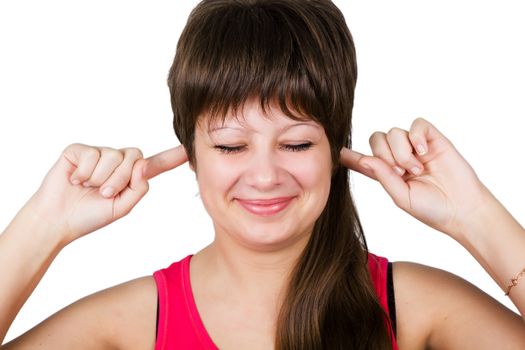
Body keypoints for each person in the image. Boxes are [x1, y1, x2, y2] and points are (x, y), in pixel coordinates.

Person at [1, 0, 525, 349]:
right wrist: (44, 225)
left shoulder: (415, 305)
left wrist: (475, 215)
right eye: (231, 145)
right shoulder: (128, 324)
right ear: (190, 151)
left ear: (337, 145)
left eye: (296, 142)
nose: (265, 175)